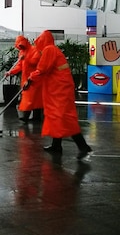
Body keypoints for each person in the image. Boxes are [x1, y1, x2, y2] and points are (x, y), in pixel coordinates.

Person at [27, 30, 92, 159]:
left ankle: (83, 146)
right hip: (58, 89)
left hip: (59, 90)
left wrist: (30, 79)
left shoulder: (49, 50)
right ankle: (56, 145)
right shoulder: (52, 50)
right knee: (56, 116)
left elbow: (42, 69)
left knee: (63, 117)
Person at [6, 35, 43, 123]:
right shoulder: (22, 52)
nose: (21, 47)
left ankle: (30, 117)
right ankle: (31, 117)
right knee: (29, 98)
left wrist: (25, 59)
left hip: (35, 79)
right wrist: (11, 72)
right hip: (26, 79)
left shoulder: (34, 50)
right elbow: (19, 66)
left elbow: (35, 61)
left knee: (34, 99)